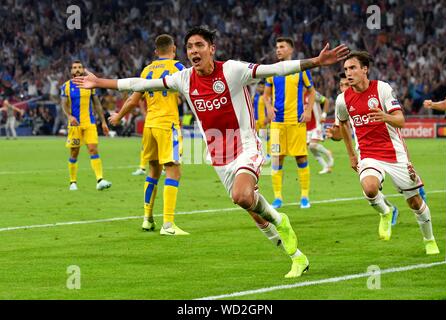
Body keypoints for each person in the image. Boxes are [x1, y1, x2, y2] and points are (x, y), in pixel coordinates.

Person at [73, 26, 349, 278]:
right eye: (190, 46)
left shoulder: (232, 70)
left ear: (211, 49)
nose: (194, 51)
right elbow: (140, 85)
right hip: (218, 156)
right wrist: (100, 82)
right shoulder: (183, 79)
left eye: (199, 45)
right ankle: (296, 257)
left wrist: (315, 61)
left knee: (243, 195)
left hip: (246, 146)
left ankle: (281, 220)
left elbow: (274, 69)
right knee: (248, 205)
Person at [336, 51, 439, 255]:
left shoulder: (381, 89)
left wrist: (385, 116)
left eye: (353, 68)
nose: (348, 73)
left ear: (365, 69)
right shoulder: (343, 99)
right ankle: (386, 211)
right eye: (346, 69)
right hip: (368, 154)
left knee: (415, 202)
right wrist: (350, 154)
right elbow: (343, 126)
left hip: (394, 153)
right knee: (370, 188)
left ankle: (429, 240)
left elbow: (401, 120)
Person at [110, 34, 188, 235]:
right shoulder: (178, 67)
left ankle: (147, 219)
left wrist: (118, 116)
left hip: (149, 126)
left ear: (156, 51)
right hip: (167, 125)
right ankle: (168, 225)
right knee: (173, 171)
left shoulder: (146, 70)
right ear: (174, 49)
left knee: (153, 171)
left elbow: (134, 100)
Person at [264, 37, 314, 209]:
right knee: (277, 159)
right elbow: (266, 94)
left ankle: (305, 197)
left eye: (282, 47)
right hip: (277, 124)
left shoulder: (301, 69)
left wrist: (308, 110)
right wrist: (268, 106)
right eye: (277, 47)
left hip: (296, 122)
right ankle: (278, 198)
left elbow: (312, 91)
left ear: (290, 50)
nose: (278, 49)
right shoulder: (272, 70)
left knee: (301, 157)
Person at [61, 60, 112, 191]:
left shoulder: (90, 85)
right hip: (75, 125)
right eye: (74, 68)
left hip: (89, 123)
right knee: (74, 152)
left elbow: (97, 104)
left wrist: (104, 122)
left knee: (93, 149)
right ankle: (73, 182)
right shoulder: (66, 86)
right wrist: (69, 116)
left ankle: (100, 180)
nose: (77, 69)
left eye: (79, 67)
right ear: (71, 71)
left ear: (83, 69)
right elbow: (64, 104)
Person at [305, 90, 334, 174]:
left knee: (313, 145)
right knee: (311, 148)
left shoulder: (312, 93)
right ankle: (325, 167)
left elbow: (326, 101)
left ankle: (328, 153)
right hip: (306, 126)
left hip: (317, 123)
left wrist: (323, 115)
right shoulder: (297, 95)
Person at [252, 80, 270, 162]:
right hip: (256, 121)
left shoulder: (266, 97)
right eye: (260, 86)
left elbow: (269, 107)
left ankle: (267, 155)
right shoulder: (255, 96)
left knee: (264, 138)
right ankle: (260, 154)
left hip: (263, 120)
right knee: (256, 138)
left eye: (263, 87)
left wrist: (268, 118)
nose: (261, 88)